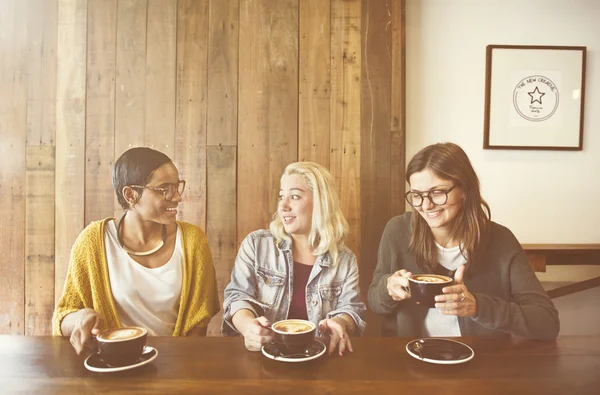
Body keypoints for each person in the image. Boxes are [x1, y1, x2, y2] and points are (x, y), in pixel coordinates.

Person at [368, 142, 559, 340]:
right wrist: (387, 289)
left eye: (437, 192)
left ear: (465, 189)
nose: (426, 205)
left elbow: (547, 323)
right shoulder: (397, 230)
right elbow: (374, 302)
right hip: (413, 357)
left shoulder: (501, 241)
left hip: (482, 361)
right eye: (417, 195)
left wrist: (478, 307)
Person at [52, 147, 220, 354]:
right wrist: (80, 318)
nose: (177, 197)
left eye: (177, 187)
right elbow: (63, 316)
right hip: (113, 365)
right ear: (131, 194)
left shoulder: (193, 241)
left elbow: (198, 323)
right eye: (164, 189)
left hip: (177, 364)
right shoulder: (93, 242)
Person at [223, 162, 366, 356]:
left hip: (320, 359)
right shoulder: (256, 245)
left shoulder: (345, 260)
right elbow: (236, 296)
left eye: (295, 197)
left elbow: (351, 309)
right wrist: (248, 326)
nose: (283, 206)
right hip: (262, 357)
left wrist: (341, 322)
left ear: (321, 203)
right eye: (281, 196)